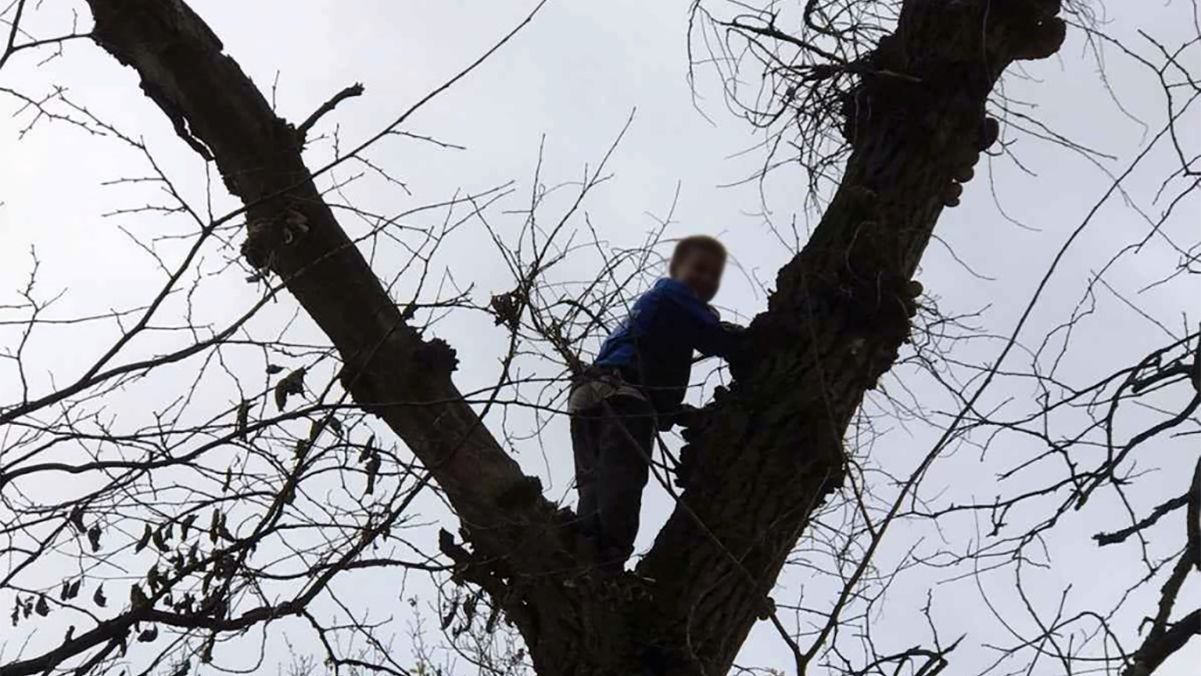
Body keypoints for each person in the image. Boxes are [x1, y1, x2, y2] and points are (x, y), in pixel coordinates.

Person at [569, 235, 744, 573]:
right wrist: (751, 345)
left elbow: (653, 371)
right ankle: (608, 566)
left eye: (714, 274)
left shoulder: (651, 308)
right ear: (678, 269)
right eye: (700, 269)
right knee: (622, 480)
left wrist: (682, 414)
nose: (706, 279)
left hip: (589, 395)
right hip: (623, 394)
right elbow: (717, 338)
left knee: (593, 486)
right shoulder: (673, 296)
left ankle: (582, 557)